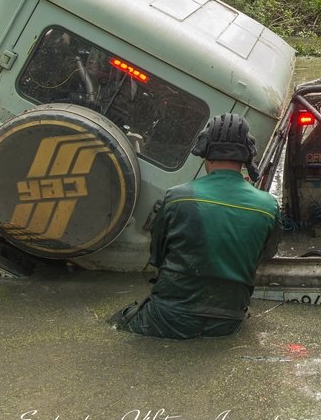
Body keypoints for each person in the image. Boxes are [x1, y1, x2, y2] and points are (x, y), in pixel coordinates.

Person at [110, 114, 280, 339]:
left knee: (114, 322)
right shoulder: (268, 205)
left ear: (205, 152)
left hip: (167, 319)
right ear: (246, 157)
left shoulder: (178, 197)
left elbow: (157, 257)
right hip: (228, 323)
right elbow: (265, 254)